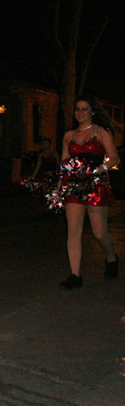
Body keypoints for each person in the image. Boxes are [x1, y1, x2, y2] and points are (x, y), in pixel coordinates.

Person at [58, 95, 120, 289]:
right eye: (78, 109)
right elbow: (65, 161)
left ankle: (111, 257)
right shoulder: (69, 135)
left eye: (85, 109)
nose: (80, 112)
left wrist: (100, 169)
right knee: (73, 231)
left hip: (96, 185)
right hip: (75, 186)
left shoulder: (101, 132)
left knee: (99, 232)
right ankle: (75, 276)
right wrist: (61, 182)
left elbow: (114, 158)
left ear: (92, 111)